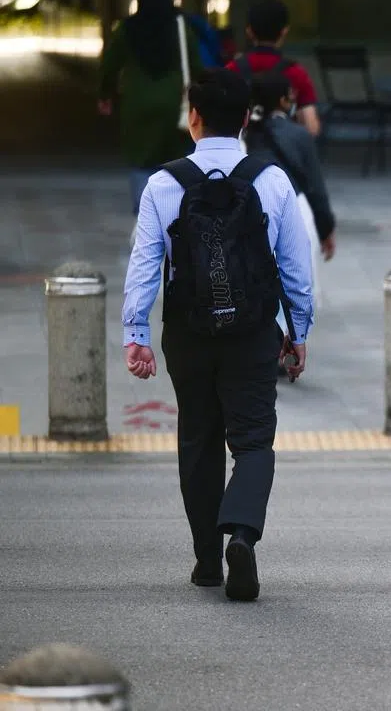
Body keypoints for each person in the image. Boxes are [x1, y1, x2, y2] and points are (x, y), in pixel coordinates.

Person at [122, 68, 314, 603]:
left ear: (194, 118)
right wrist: (298, 331)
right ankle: (243, 535)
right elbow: (295, 269)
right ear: (248, 119)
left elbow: (144, 265)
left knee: (198, 440)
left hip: (188, 331)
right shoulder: (271, 181)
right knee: (253, 441)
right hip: (253, 332)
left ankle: (207, 560)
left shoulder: (164, 184)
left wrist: (135, 331)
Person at [98, 0, 202, 218]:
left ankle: (145, 218)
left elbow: (109, 66)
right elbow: (196, 67)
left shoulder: (127, 29)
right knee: (176, 163)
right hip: (174, 105)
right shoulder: (179, 27)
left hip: (137, 106)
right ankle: (175, 217)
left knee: (140, 161)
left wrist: (105, 94)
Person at [244, 70, 336, 321]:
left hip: (251, 213)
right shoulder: (298, 135)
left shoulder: (246, 135)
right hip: (294, 208)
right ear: (284, 100)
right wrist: (326, 228)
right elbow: (315, 188)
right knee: (293, 286)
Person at [226, 0, 321, 137]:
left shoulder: (232, 70)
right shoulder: (296, 73)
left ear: (249, 31)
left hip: (241, 154)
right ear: (284, 31)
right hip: (282, 155)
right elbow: (311, 126)